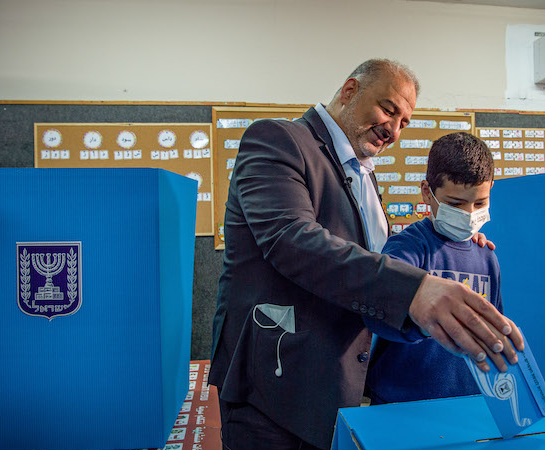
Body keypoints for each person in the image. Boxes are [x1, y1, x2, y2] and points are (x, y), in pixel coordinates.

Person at [208, 59, 523, 450]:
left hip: (335, 391)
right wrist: (416, 289)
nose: (393, 129)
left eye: (404, 122)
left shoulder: (364, 175)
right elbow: (291, 238)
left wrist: (453, 244)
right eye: (388, 109)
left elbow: (371, 260)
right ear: (349, 91)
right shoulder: (279, 139)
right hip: (275, 388)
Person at [365, 131, 506, 404]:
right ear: (427, 192)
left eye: (479, 203)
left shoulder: (487, 256)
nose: (468, 214)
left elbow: (492, 330)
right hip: (402, 402)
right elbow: (379, 318)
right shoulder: (405, 250)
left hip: (469, 400)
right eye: (455, 203)